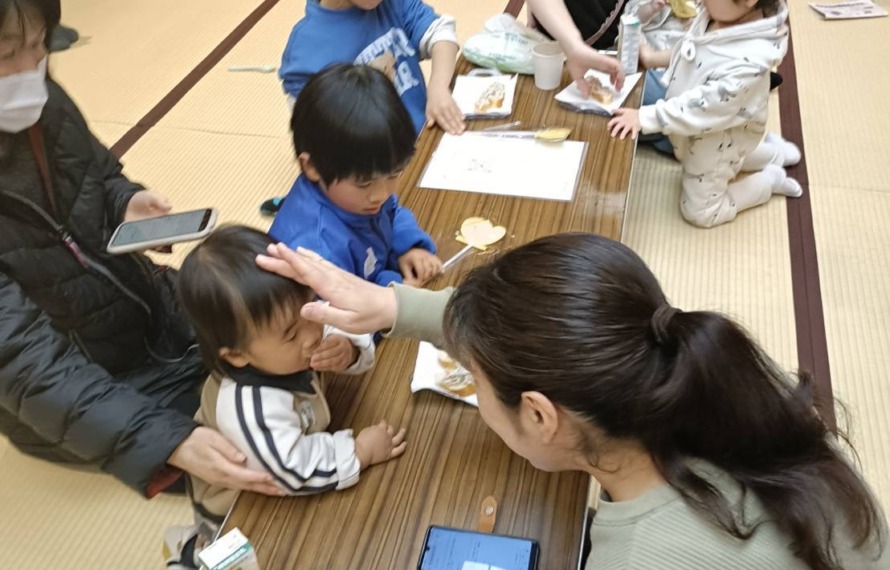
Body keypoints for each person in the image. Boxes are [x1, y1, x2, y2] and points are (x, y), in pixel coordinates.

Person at [255, 238, 887, 569]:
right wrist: (394, 305)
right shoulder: (707, 373)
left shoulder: (639, 558)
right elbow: (537, 340)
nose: (475, 385)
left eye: (476, 379)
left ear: (539, 415)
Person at [0, 0, 281, 500]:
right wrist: (167, 441)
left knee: (288, 332)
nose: (29, 70)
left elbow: (97, 176)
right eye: (6, 55)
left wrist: (125, 202)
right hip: (81, 384)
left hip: (146, 306)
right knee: (265, 450)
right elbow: (23, 360)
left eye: (39, 45)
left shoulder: (40, 97)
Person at [165, 226, 405, 568]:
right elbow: (294, 468)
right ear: (237, 356)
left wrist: (349, 349)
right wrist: (358, 452)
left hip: (283, 461)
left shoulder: (287, 333)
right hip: (243, 504)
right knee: (240, 557)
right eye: (291, 335)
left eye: (309, 307)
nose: (311, 335)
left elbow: (333, 324)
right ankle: (191, 554)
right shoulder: (249, 407)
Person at [608, 0, 803, 228]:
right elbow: (687, 49)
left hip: (716, 134)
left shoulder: (749, 62)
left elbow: (702, 106)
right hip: (705, 133)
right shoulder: (720, 17)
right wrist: (653, 59)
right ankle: (776, 154)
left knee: (701, 213)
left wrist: (644, 117)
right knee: (732, 155)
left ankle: (769, 181)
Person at [260, 0, 463, 216]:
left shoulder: (391, 3)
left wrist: (438, 87)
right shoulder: (306, 48)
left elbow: (440, 32)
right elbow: (317, 138)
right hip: (376, 174)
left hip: (426, 142)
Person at [269, 64, 442, 287]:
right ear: (312, 167)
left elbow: (392, 211)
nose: (381, 194)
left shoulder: (357, 195)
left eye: (394, 174)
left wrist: (408, 246)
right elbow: (346, 303)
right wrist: (395, 291)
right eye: (364, 183)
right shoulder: (315, 253)